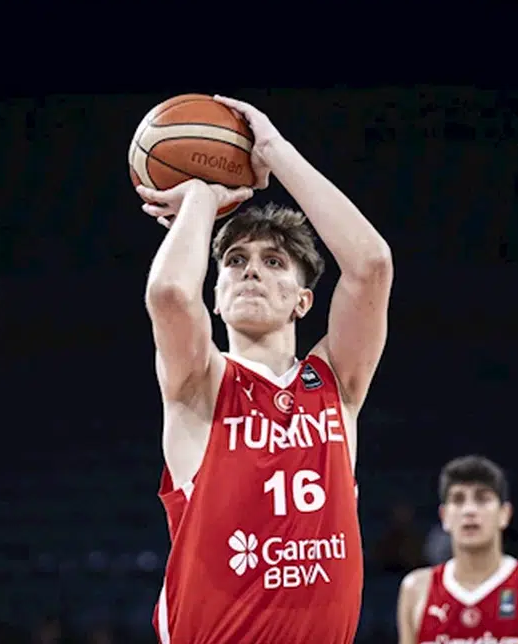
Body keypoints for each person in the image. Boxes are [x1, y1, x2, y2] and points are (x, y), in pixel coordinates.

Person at [138, 95, 393, 644]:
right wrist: (202, 198)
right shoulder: (200, 385)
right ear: (215, 297)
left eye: (273, 261)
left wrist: (275, 151)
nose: (251, 271)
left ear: (303, 300)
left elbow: (371, 265)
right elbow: (169, 293)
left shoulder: (335, 383)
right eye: (235, 261)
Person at [397, 456, 518, 644]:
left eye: (482, 499)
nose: (469, 510)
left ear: (504, 514)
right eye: (458, 500)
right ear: (444, 517)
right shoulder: (416, 589)